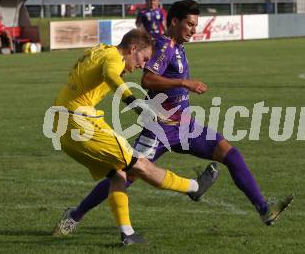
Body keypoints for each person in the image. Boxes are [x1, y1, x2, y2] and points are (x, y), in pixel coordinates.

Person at [53, 0, 293, 238]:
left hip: (184, 124)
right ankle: (75, 215)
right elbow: (147, 80)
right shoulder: (162, 46)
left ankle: (264, 209)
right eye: (189, 24)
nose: (193, 29)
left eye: (195, 25)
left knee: (229, 153)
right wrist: (183, 82)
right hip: (160, 127)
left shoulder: (176, 46)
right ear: (175, 21)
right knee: (126, 174)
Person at [50, 29, 219, 246]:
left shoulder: (101, 50)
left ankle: (125, 233)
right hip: (80, 123)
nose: (142, 65)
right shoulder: (114, 58)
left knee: (119, 175)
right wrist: (134, 103)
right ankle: (195, 187)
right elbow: (111, 75)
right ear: (132, 49)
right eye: (144, 59)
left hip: (61, 126)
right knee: (140, 166)